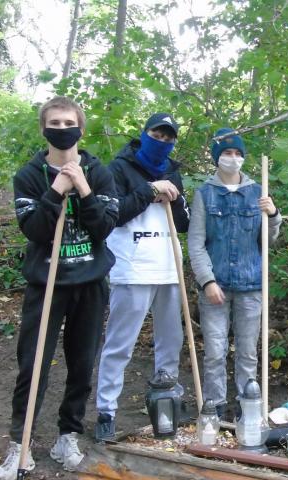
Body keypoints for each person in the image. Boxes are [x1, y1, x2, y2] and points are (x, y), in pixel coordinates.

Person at [0, 96, 118, 480]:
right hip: (47, 283)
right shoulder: (29, 175)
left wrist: (83, 187)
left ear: (81, 125)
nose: (62, 129)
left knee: (81, 364)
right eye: (55, 123)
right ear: (44, 128)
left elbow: (104, 227)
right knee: (33, 364)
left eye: (69, 122)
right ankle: (20, 444)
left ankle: (67, 437)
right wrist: (57, 189)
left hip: (90, 283)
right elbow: (37, 231)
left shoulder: (99, 171)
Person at [94, 113, 189, 441]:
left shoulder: (174, 172)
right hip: (132, 268)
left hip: (169, 267)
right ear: (144, 132)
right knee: (120, 343)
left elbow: (185, 221)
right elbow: (112, 214)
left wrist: (172, 198)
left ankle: (167, 402)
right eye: (156, 134)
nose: (162, 141)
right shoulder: (117, 168)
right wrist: (149, 191)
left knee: (170, 342)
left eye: (168, 138)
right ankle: (106, 411)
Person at [188, 128, 281, 419]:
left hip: (251, 285)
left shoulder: (258, 192)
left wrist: (274, 215)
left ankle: (248, 405)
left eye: (238, 153)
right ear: (217, 157)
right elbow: (195, 242)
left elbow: (268, 241)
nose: (233, 158)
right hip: (216, 287)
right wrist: (207, 281)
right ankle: (214, 408)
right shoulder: (205, 194)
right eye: (227, 153)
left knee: (247, 352)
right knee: (215, 351)